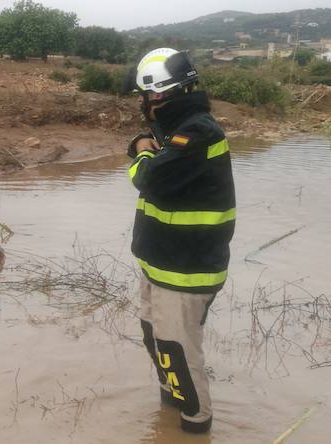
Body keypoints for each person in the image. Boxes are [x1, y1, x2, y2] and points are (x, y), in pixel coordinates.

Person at [126, 48, 235, 433]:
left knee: (177, 351)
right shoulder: (178, 127)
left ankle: (193, 427)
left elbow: (151, 179)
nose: (141, 103)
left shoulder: (198, 132)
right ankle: (168, 415)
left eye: (144, 95)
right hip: (161, 264)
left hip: (186, 270)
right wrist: (148, 139)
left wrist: (140, 152)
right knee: (157, 342)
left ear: (157, 94)